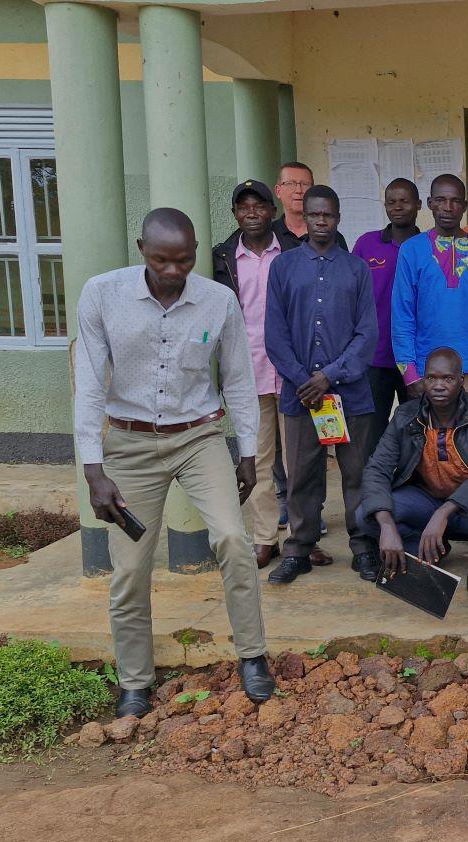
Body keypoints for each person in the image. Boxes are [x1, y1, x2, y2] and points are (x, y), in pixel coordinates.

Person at [73, 207, 274, 717]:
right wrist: (94, 471)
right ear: (141, 248)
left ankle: (252, 655)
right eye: (162, 260)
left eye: (184, 262)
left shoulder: (218, 300)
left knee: (232, 538)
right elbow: (91, 385)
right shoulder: (102, 294)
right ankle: (135, 680)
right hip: (130, 445)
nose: (173, 272)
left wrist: (247, 452)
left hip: (198, 438)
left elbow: (238, 380)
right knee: (131, 567)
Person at [264, 185, 379, 584]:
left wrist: (328, 375)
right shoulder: (283, 267)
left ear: (338, 217)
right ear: (304, 218)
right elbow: (274, 335)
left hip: (350, 393)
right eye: (314, 215)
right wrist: (304, 380)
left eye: (328, 215)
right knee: (302, 476)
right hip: (301, 398)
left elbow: (367, 334)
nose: (321, 221)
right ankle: (298, 549)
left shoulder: (356, 269)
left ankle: (364, 547)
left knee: (357, 475)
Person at [358, 347, 468, 592]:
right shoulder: (406, 415)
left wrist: (444, 512)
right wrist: (387, 526)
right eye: (432, 378)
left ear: (461, 381)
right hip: (425, 502)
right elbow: (376, 469)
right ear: (424, 379)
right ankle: (426, 549)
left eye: (448, 379)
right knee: (367, 514)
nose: (439, 385)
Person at [210, 180, 289, 568]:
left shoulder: (292, 250)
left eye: (259, 206)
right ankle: (265, 537)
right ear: (235, 215)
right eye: (244, 208)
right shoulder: (221, 259)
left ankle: (305, 537)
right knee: (256, 460)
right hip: (248, 374)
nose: (252, 213)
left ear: (273, 211)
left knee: (303, 461)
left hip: (294, 375)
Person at [391, 174, 468, 399]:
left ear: (464, 206)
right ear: (429, 204)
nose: (448, 207)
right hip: (429, 373)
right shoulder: (411, 250)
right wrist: (411, 375)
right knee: (432, 436)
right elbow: (402, 316)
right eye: (440, 200)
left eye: (455, 201)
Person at [352, 177, 422, 454]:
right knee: (371, 435)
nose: (398, 207)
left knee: (417, 433)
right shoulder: (367, 244)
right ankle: (375, 493)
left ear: (418, 205)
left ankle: (414, 492)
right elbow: (350, 294)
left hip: (417, 360)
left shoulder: (429, 245)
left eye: (404, 201)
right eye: (391, 201)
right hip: (375, 357)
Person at [274, 161, 347, 248]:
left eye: (305, 184)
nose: (298, 190)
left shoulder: (331, 236)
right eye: (290, 183)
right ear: (278, 191)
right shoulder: (269, 234)